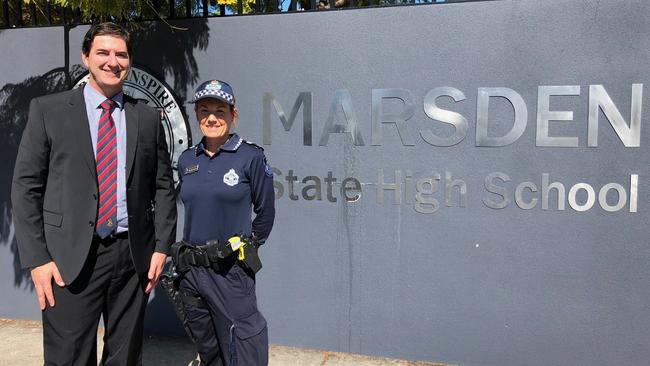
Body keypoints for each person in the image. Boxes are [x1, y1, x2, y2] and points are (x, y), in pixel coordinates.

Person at [11, 22, 177, 365]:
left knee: (125, 356)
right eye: (103, 52)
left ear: (129, 61)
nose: (112, 61)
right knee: (68, 357)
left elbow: (162, 187)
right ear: (86, 57)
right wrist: (38, 259)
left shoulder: (146, 117)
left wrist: (162, 246)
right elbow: (26, 187)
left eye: (121, 54)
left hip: (132, 258)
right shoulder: (48, 110)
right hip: (68, 258)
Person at [176, 79, 275, 365]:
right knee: (209, 350)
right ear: (196, 115)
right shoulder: (187, 160)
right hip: (192, 272)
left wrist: (248, 246)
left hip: (230, 270)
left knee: (244, 347)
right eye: (204, 110)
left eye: (220, 111)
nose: (211, 118)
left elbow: (265, 212)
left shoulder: (250, 157)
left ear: (233, 114)